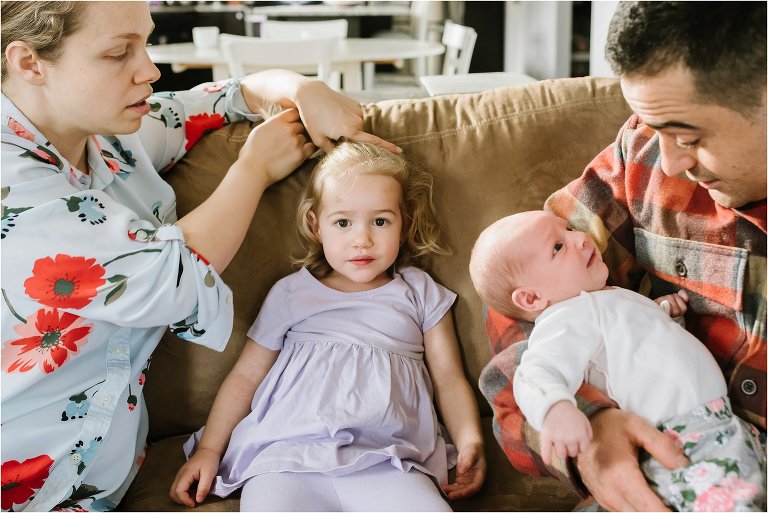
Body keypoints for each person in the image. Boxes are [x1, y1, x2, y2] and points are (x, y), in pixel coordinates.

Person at [0, 2, 400, 511]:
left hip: (97, 478)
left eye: (144, 43)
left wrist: (304, 89)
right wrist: (252, 169)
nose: (149, 70)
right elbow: (165, 279)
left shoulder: (108, 137)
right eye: (119, 52)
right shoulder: (11, 181)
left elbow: (225, 97)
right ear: (30, 63)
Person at [478, 2, 766, 511]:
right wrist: (590, 427)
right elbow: (517, 306)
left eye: (688, 136)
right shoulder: (642, 160)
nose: (670, 161)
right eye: (656, 130)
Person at [169, 141, 487, 511]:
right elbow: (245, 377)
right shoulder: (292, 293)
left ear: (406, 223)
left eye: (380, 221)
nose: (362, 239)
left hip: (390, 459)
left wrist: (470, 443)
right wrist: (209, 450)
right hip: (284, 457)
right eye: (343, 222)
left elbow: (448, 378)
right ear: (315, 225)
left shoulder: (419, 292)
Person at [470, 210, 766, 511]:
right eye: (558, 247)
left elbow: (639, 347)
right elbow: (533, 371)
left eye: (570, 229)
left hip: (724, 423)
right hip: (678, 438)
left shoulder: (602, 298)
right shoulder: (565, 318)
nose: (582, 238)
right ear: (532, 299)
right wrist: (553, 410)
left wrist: (664, 313)